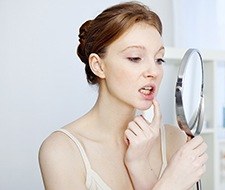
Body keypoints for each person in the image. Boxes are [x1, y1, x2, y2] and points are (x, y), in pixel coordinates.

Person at [38, 1, 208, 190]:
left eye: (159, 59)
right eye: (135, 58)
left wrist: (139, 164)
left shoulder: (174, 139)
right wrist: (171, 184)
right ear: (99, 65)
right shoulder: (62, 151)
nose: (154, 71)